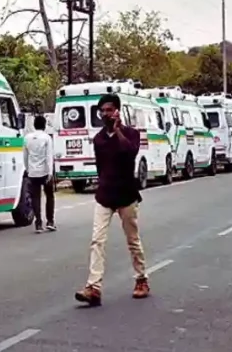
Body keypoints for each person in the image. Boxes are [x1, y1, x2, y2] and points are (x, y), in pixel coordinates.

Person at [75, 94, 149, 306]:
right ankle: (93, 287)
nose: (105, 114)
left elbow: (130, 153)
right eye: (102, 111)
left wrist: (117, 131)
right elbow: (101, 168)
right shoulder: (98, 139)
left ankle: (141, 279)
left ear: (117, 110)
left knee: (132, 240)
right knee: (97, 240)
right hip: (105, 195)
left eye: (109, 110)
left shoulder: (131, 134)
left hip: (126, 195)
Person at [23, 115, 55, 233]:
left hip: (33, 172)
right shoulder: (46, 138)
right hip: (45, 172)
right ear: (45, 125)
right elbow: (49, 156)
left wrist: (28, 169)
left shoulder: (27, 138)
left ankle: (38, 223)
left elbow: (25, 156)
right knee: (49, 196)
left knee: (35, 197)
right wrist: (50, 172)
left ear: (34, 125)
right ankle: (50, 221)